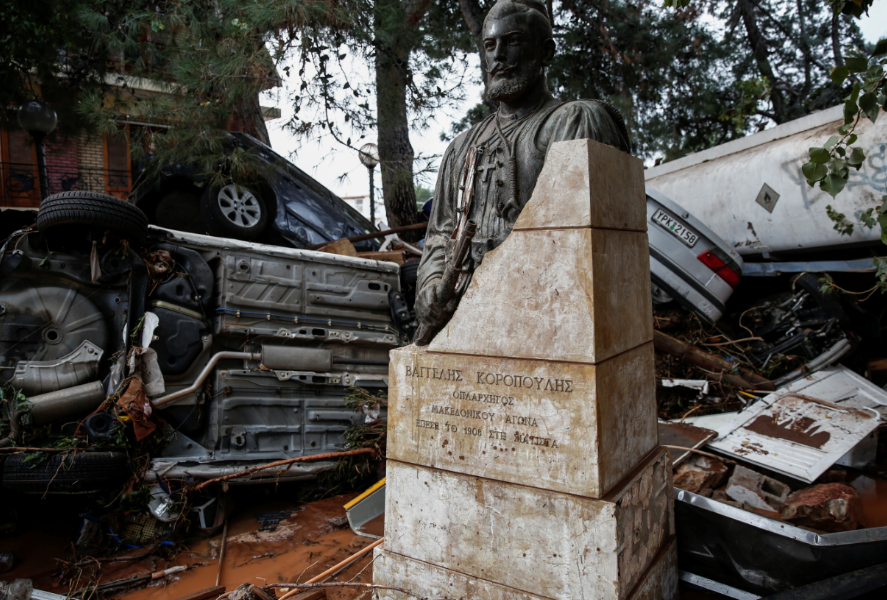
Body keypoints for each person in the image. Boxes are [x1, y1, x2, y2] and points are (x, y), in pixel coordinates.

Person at [413, 0, 631, 345]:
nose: (498, 55)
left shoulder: (573, 121)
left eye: (512, 41)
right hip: (464, 322)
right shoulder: (461, 147)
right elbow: (440, 232)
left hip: (543, 323)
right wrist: (430, 286)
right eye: (489, 45)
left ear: (545, 52)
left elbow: (579, 244)